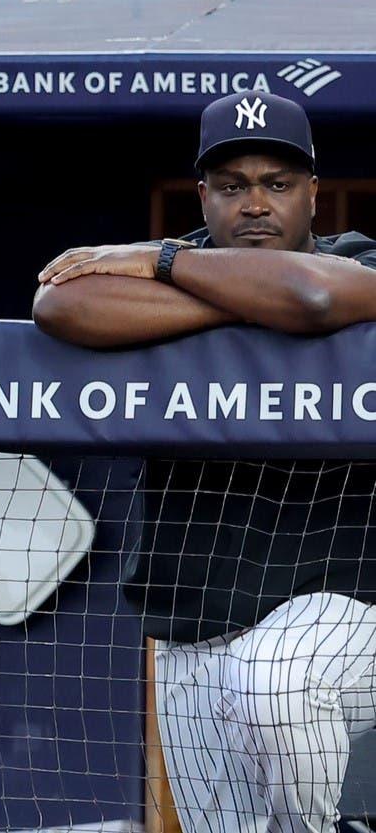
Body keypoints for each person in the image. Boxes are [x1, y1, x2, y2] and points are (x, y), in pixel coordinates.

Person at [33, 90, 376, 833]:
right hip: (193, 617)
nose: (254, 204)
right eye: (231, 186)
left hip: (347, 607)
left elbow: (316, 296)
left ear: (312, 194)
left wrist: (160, 260)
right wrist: (244, 299)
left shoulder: (355, 260)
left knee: (275, 682)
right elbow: (59, 308)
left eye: (275, 184)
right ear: (202, 194)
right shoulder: (160, 265)